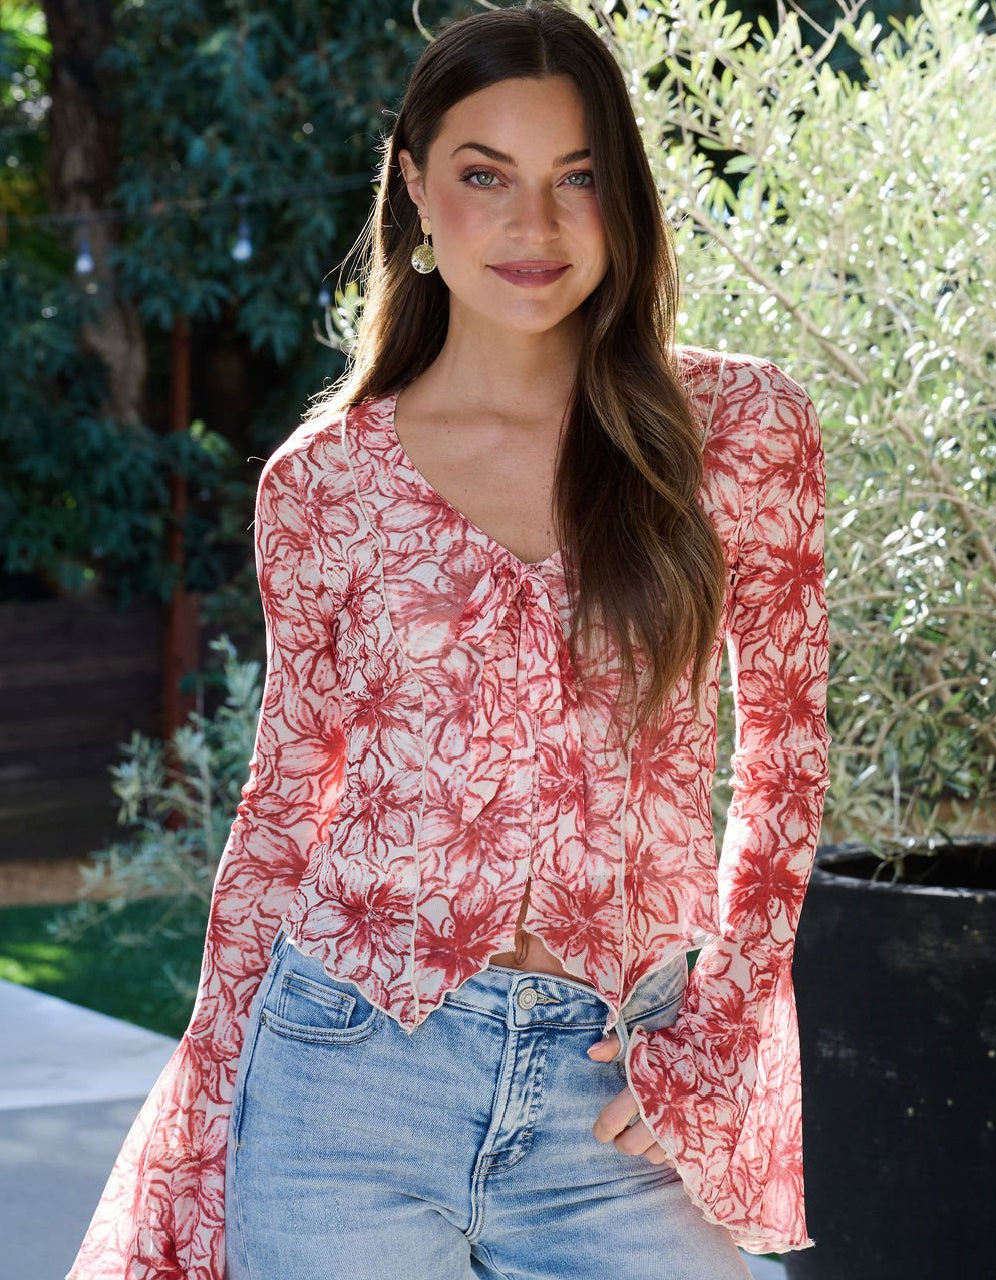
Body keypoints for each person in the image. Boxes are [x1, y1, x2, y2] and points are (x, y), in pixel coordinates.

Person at [69, 3, 830, 1278]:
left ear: (623, 201)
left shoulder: (737, 430)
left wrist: (721, 1027)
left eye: (575, 178)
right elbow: (281, 808)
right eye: (486, 176)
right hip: (343, 1081)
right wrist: (204, 1109)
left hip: (617, 1090)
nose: (533, 227)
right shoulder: (326, 481)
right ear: (416, 193)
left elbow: (785, 757)